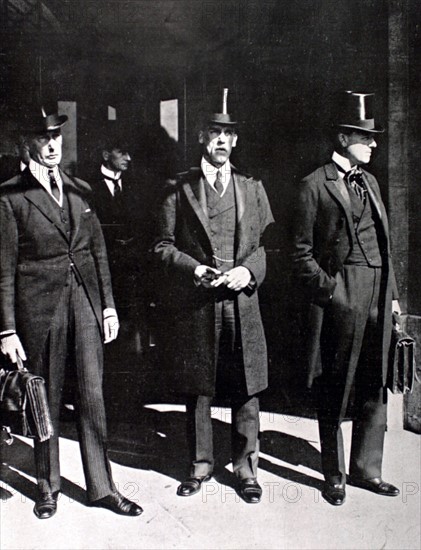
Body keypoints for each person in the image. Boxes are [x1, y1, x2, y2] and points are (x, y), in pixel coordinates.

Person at [0, 105, 143, 519]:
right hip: (39, 311)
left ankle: (102, 487)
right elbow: (4, 269)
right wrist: (7, 330)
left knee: (93, 396)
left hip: (85, 303)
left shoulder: (81, 189)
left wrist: (109, 306)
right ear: (28, 144)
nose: (51, 145)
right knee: (44, 397)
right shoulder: (10, 196)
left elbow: (98, 252)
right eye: (43, 139)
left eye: (57, 138)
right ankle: (48, 487)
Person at [153, 91, 274, 503]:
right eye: (215, 133)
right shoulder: (180, 188)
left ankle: (246, 469)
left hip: (242, 299)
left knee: (246, 385)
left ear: (235, 141)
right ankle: (200, 465)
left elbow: (264, 249)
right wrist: (194, 269)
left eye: (228, 134)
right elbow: (162, 246)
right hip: (199, 302)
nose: (222, 140)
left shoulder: (251, 187)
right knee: (198, 386)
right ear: (202, 136)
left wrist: (247, 272)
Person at [291, 91, 401, 506]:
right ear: (341, 138)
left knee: (376, 382)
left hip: (378, 289)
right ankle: (333, 474)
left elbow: (385, 245)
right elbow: (299, 253)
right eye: (365, 136)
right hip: (343, 292)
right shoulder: (313, 185)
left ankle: (367, 470)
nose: (374, 144)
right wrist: (332, 291)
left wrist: (392, 297)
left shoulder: (370, 182)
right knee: (337, 384)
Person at [90, 130, 146, 359]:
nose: (128, 158)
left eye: (129, 153)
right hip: (104, 270)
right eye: (122, 152)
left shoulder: (136, 185)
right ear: (105, 154)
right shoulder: (88, 187)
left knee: (132, 333)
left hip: (132, 272)